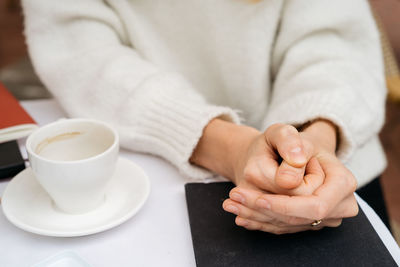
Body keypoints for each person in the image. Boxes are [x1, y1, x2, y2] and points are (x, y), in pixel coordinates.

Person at [22, 0, 388, 234]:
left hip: (334, 169)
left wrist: (311, 144)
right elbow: (81, 49)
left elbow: (337, 43)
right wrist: (230, 148)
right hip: (147, 164)